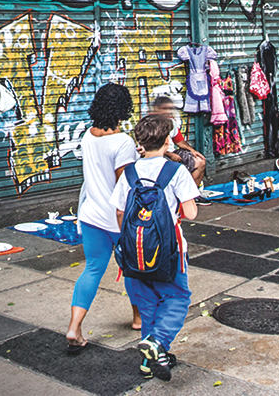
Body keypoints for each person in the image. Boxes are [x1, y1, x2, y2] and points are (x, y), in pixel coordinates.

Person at [111, 114, 199, 381]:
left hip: (134, 251)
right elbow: (191, 213)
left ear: (139, 143)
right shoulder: (176, 171)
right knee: (177, 298)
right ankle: (158, 342)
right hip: (169, 251)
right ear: (167, 141)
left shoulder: (129, 173)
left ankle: (149, 362)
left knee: (148, 305)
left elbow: (119, 212)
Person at [67, 82, 140, 353]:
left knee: (93, 269)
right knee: (132, 269)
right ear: (123, 108)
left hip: (90, 215)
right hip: (117, 219)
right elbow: (125, 186)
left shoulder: (89, 135)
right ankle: (138, 318)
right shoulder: (123, 141)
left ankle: (74, 327)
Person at [151, 96, 206, 187]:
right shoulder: (149, 123)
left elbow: (179, 141)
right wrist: (170, 154)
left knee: (200, 161)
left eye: (170, 109)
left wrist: (193, 150)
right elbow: (150, 146)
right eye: (164, 108)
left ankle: (192, 192)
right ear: (156, 108)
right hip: (157, 155)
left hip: (172, 153)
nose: (168, 111)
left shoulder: (171, 121)